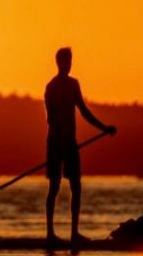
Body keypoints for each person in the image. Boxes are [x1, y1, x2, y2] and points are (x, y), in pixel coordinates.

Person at [45, 47, 116, 244]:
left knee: (76, 186)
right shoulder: (51, 87)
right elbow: (51, 120)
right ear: (58, 63)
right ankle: (50, 234)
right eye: (65, 62)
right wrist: (60, 146)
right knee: (54, 187)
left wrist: (104, 127)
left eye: (71, 61)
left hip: (70, 144)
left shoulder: (74, 85)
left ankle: (74, 233)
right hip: (54, 143)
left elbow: (84, 111)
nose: (68, 65)